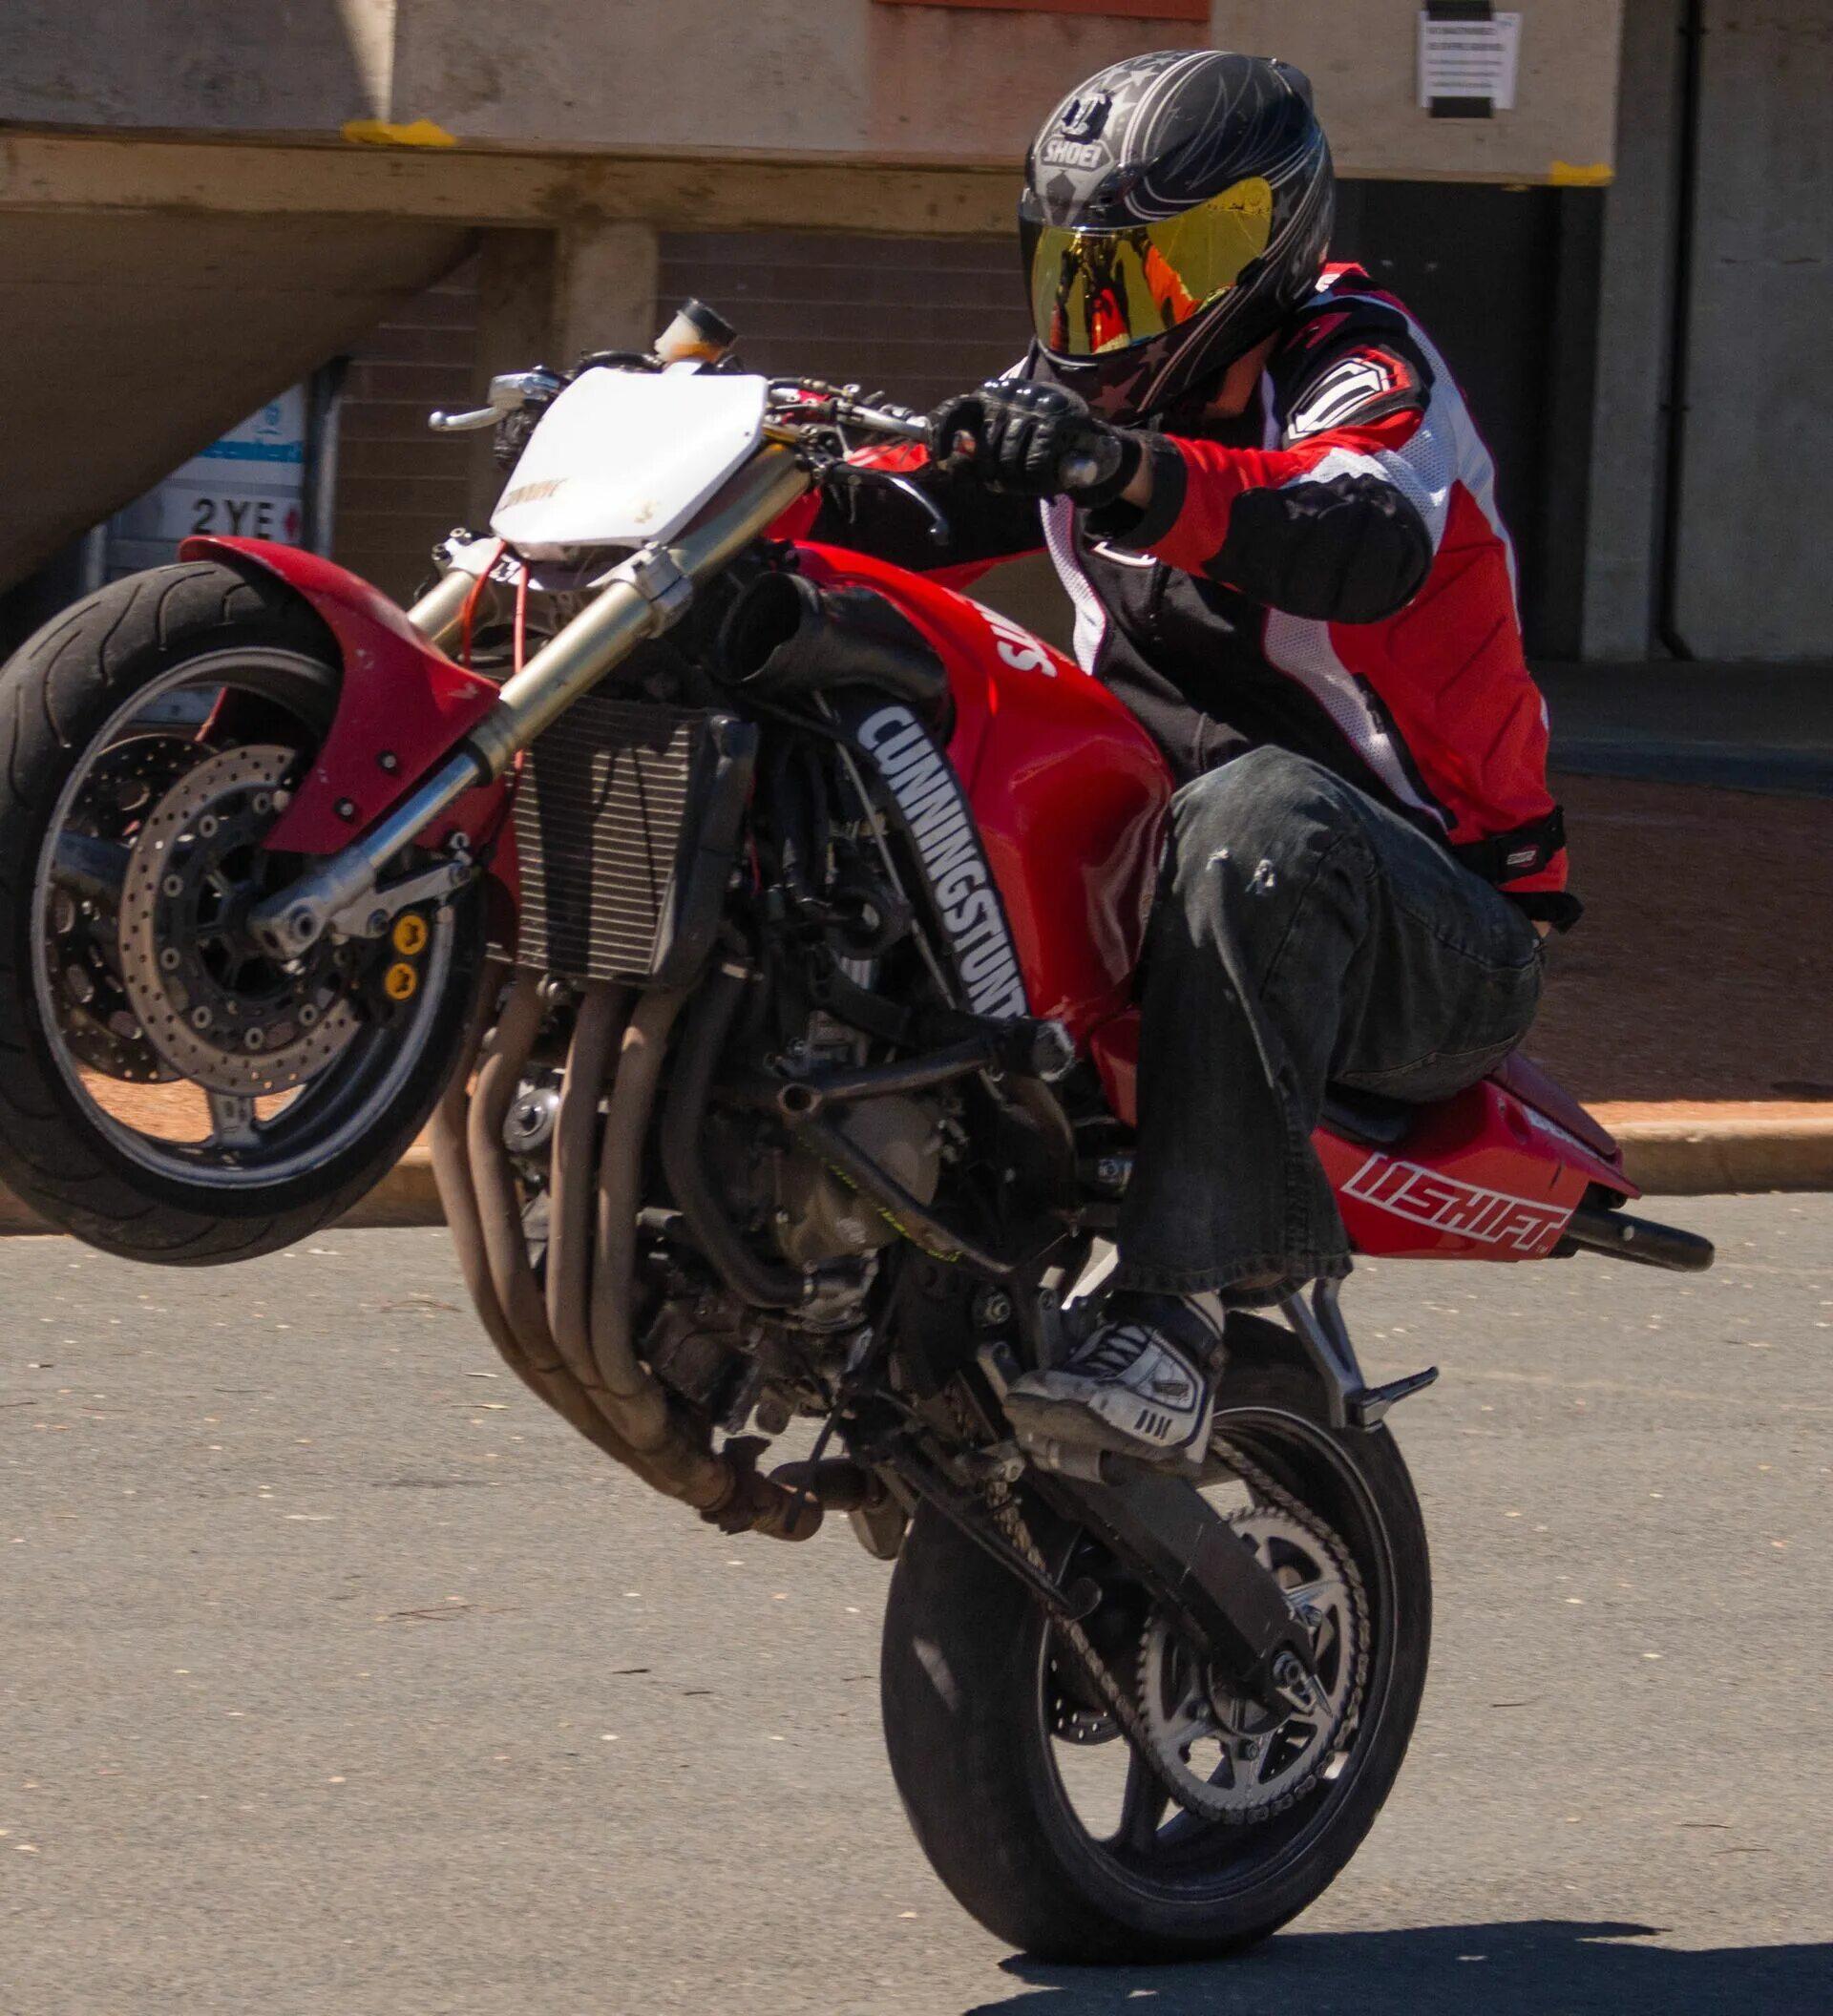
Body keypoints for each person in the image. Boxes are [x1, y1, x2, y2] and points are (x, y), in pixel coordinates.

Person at [806, 49, 1573, 1467]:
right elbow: (912, 507)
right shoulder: (1078, 394)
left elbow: (1353, 531)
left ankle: (1182, 1315)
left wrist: (1123, 472)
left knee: (1259, 812)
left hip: (1432, 939)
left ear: (1265, 245)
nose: (1107, 318)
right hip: (1181, 893)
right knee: (905, 718)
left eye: (1156, 272)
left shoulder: (1360, 363)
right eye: (1082, 275)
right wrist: (719, 479)